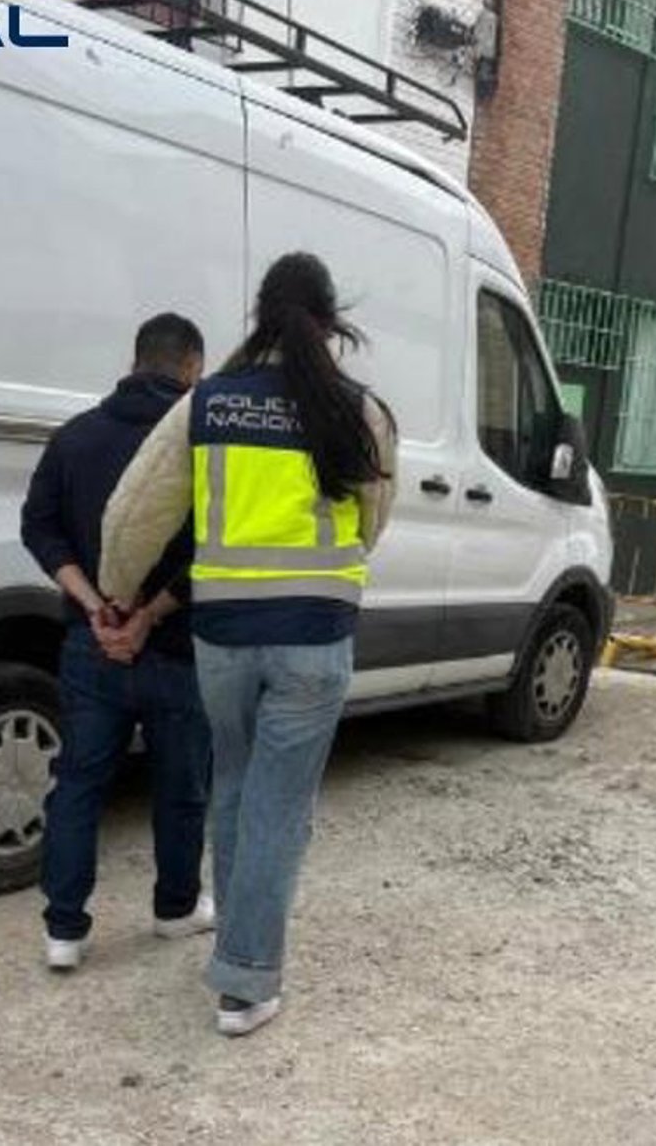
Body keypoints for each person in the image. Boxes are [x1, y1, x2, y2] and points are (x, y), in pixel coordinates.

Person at [100, 254, 396, 1035]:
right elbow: (373, 520)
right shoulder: (360, 410)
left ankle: (239, 945)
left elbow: (131, 515)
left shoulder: (208, 403)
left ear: (260, 314)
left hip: (223, 637)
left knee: (234, 786)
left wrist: (119, 596)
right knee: (278, 805)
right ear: (328, 320)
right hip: (313, 637)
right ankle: (246, 981)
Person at [21, 312, 214, 971]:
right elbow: (213, 547)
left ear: (134, 362)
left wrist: (96, 604)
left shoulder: (75, 436)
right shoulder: (200, 448)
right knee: (181, 787)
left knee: (78, 785)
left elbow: (39, 526)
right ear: (191, 368)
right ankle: (175, 908)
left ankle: (64, 930)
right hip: (177, 646)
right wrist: (147, 615)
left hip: (91, 643)